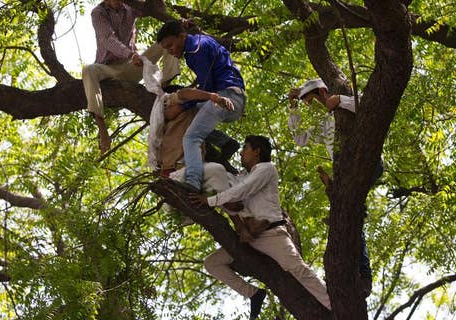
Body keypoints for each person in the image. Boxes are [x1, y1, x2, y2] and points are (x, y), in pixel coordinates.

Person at [190, 135, 331, 319]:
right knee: (212, 263)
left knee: (298, 269)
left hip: (271, 235)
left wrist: (210, 201)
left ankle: (333, 306)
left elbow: (241, 191)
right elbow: (227, 189)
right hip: (249, 238)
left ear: (257, 152)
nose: (241, 153)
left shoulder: (266, 169)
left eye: (245, 149)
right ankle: (254, 294)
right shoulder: (241, 176)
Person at [288, 78, 378, 297]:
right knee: (349, 217)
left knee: (351, 215)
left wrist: (340, 100)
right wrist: (293, 107)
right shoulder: (325, 124)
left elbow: (369, 107)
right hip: (345, 175)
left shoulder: (346, 102)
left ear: (321, 91)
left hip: (366, 163)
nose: (314, 106)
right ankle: (357, 274)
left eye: (313, 100)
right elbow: (300, 139)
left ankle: (364, 274)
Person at [156, 20, 246, 192]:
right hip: (229, 97)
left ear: (182, 37)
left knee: (191, 138)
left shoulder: (197, 50)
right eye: (166, 49)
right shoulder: (196, 44)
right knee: (189, 118)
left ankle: (193, 182)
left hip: (226, 96)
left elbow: (207, 88)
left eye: (171, 46)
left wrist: (181, 105)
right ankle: (225, 142)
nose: (170, 51)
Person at [83, 0, 179, 154]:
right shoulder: (98, 12)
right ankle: (101, 127)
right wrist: (130, 54)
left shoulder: (130, 6)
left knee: (169, 36)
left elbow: (155, 9)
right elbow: (108, 39)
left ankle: (165, 85)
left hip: (131, 66)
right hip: (109, 68)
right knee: (89, 70)